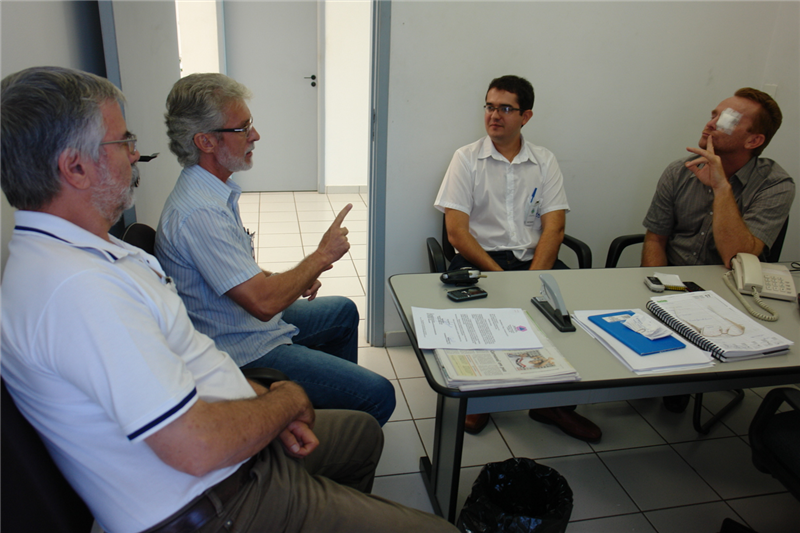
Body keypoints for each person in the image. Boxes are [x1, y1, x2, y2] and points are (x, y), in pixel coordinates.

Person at [0, 66, 456, 533]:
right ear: (75, 166)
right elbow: (196, 444)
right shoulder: (78, 289)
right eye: (123, 142)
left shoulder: (89, 252)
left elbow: (192, 361)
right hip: (220, 501)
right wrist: (284, 400)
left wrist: (260, 399)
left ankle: (329, 495)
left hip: (229, 443)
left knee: (358, 430)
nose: (137, 154)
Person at [156, 73, 394, 425]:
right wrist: (320, 257)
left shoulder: (213, 191)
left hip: (245, 325)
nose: (255, 135)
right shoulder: (199, 212)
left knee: (343, 312)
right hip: (241, 351)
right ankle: (337, 441)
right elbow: (264, 304)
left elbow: (236, 272)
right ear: (205, 141)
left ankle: (334, 417)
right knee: (379, 394)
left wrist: (298, 277)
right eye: (242, 128)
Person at [433, 75, 601, 442]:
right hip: (480, 262)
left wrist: (530, 280)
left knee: (568, 312)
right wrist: (504, 280)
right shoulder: (466, 159)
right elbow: (457, 234)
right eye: (490, 106)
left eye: (505, 108)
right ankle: (481, 399)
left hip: (532, 260)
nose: (494, 115)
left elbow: (554, 228)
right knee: (478, 321)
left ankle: (552, 404)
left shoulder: (544, 161)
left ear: (525, 116)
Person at [642, 87, 794, 413]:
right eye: (714, 114)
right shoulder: (679, 170)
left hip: (729, 292)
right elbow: (655, 239)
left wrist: (721, 186)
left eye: (725, 120)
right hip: (672, 281)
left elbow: (738, 256)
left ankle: (685, 377)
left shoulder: (776, 185)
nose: (710, 124)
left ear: (754, 141)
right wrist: (658, 289)